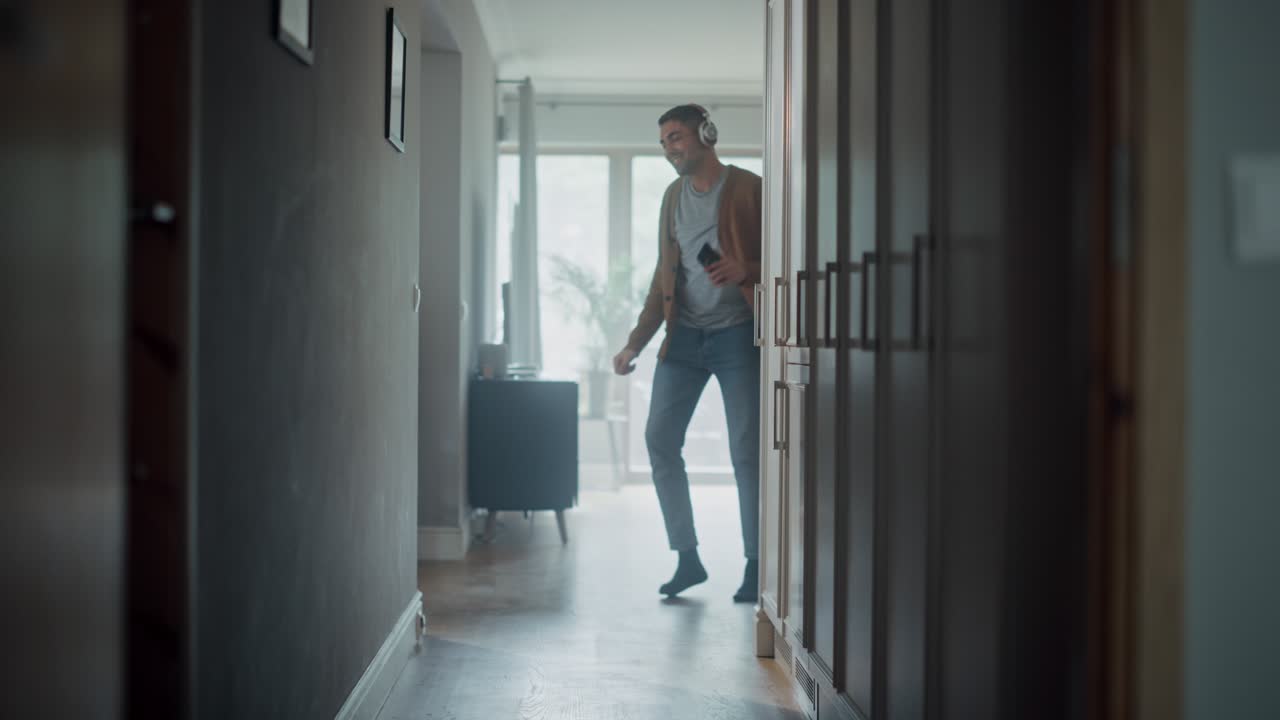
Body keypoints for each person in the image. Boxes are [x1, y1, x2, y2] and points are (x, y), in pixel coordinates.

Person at [613, 104, 762, 602]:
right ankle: (688, 558)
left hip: (738, 334)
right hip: (684, 339)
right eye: (663, 143)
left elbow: (792, 254)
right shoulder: (673, 197)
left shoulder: (749, 189)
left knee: (747, 451)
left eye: (676, 137)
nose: (669, 149)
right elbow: (664, 277)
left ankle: (757, 563)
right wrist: (636, 341)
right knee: (659, 440)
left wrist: (750, 269)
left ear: (706, 134)